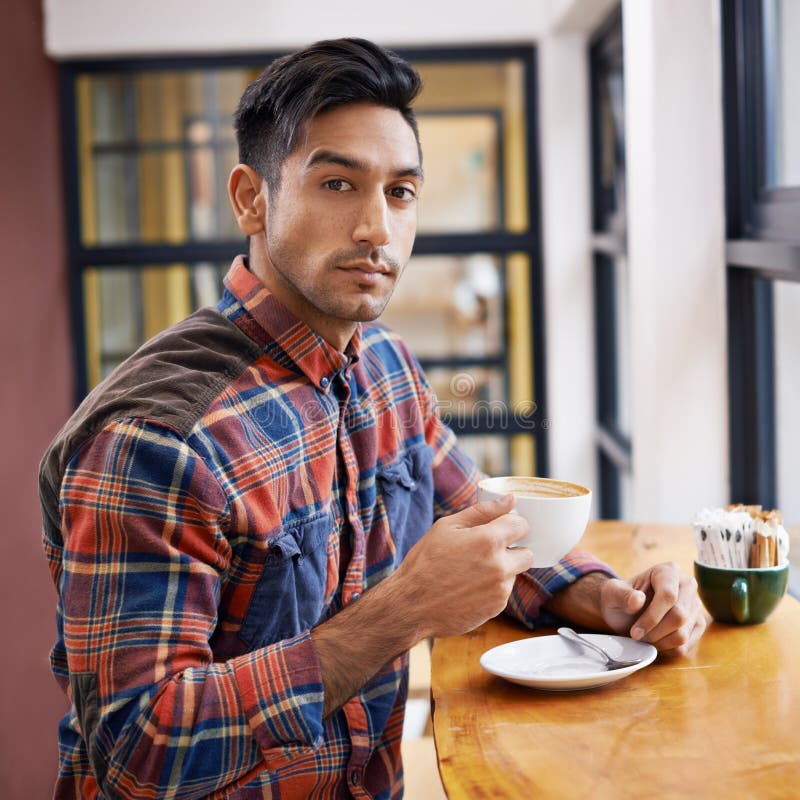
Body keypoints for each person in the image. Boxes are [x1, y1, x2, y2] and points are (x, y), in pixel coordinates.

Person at [39, 37, 706, 800]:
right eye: (336, 183)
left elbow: (483, 522)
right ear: (251, 198)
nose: (376, 230)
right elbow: (136, 754)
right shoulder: (156, 440)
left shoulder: (385, 365)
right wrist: (400, 613)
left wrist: (611, 603)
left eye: (400, 192)